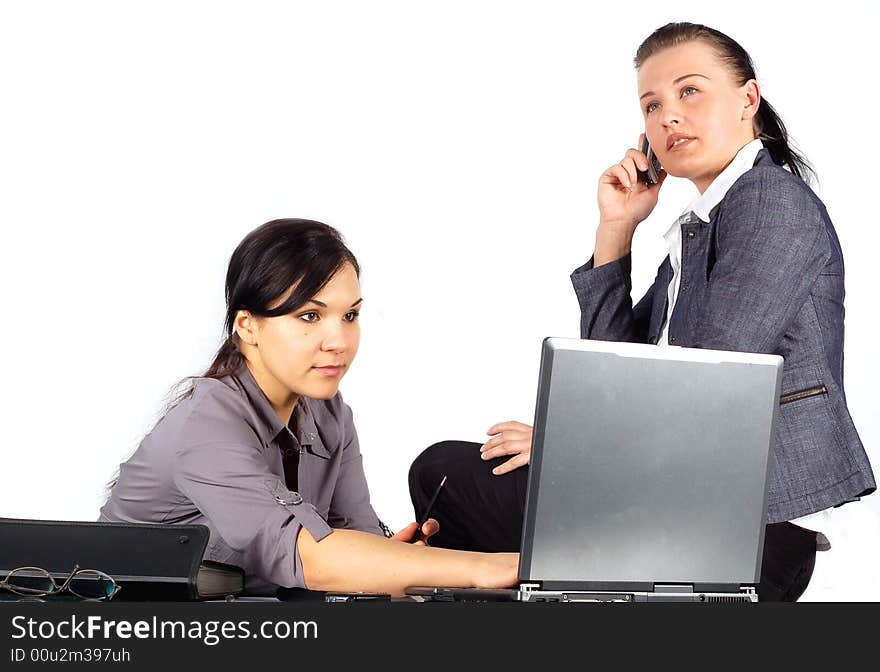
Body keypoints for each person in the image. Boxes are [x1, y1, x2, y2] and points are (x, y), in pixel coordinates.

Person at [409, 22, 875, 601]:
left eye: (689, 92)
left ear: (747, 100)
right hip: (691, 504)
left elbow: (708, 381)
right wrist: (617, 227)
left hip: (757, 528)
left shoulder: (768, 202)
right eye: (652, 105)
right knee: (449, 481)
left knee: (443, 474)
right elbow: (617, 368)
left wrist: (568, 445)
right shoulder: (708, 222)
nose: (668, 117)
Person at [101, 218, 518, 596]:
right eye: (309, 316)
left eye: (350, 315)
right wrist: (487, 566)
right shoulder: (206, 424)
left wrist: (393, 560)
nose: (338, 341)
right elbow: (313, 559)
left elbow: (354, 535)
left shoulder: (330, 413)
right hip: (140, 623)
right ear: (247, 326)